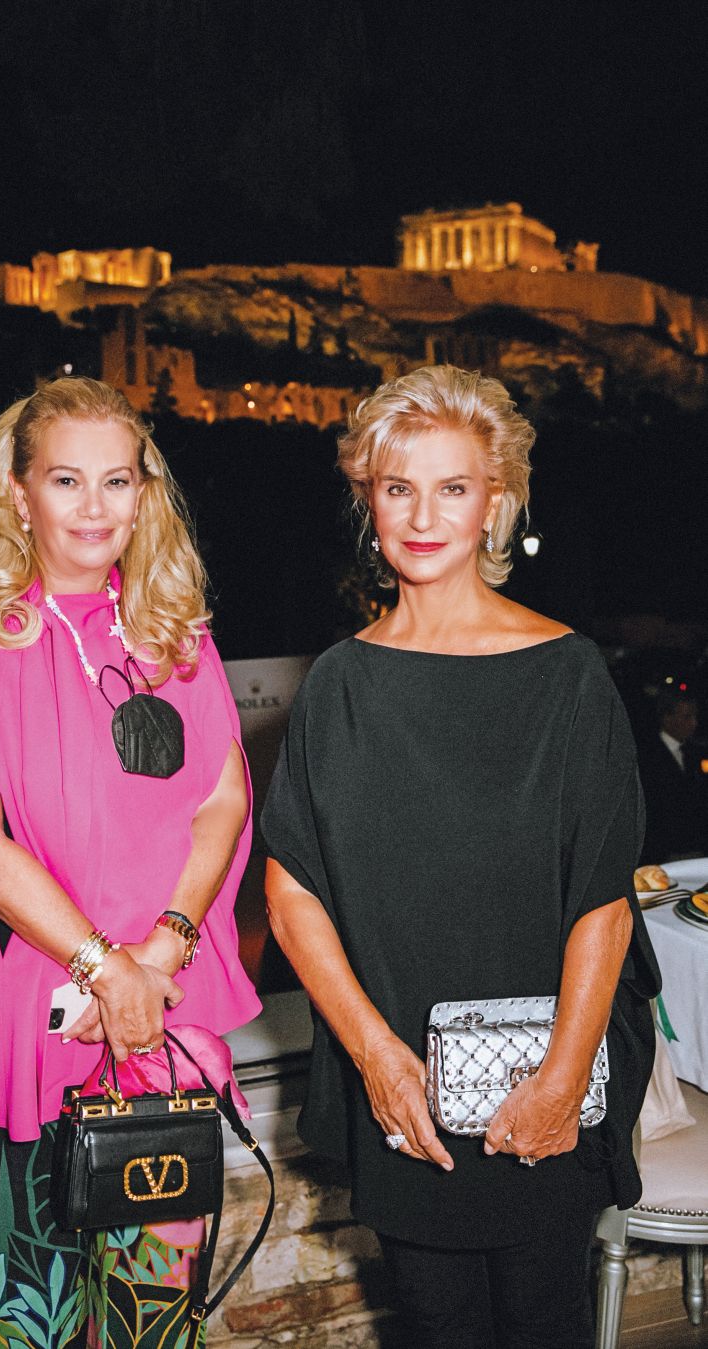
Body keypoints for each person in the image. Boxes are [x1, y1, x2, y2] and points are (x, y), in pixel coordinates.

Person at [262, 366, 660, 1349]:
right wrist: (376, 1057)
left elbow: (602, 899)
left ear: (497, 501)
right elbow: (292, 892)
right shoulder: (338, 685)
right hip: (402, 1077)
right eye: (398, 487)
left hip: (546, 1068)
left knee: (543, 1320)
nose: (423, 515)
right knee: (436, 1324)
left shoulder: (569, 675)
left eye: (452, 487)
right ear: (369, 502)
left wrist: (564, 1076)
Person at [0, 377, 260, 1347]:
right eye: (66, 479)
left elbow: (223, 798)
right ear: (18, 490)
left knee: (156, 1320)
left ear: (144, 490)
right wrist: (106, 967)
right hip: (15, 1032)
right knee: (21, 1322)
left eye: (116, 480)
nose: (94, 506)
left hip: (158, 1019)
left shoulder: (175, 630)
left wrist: (160, 951)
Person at [637, 686, 708, 862]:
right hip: (663, 853)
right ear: (667, 718)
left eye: (695, 716)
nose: (694, 723)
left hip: (696, 848)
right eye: (687, 717)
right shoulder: (647, 757)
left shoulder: (696, 752)